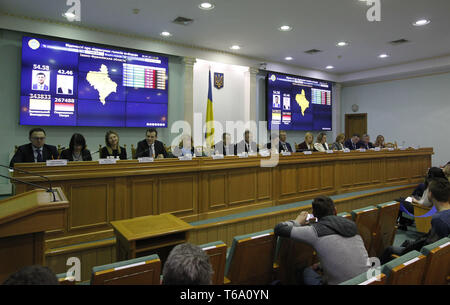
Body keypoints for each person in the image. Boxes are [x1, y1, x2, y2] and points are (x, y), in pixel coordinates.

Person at [274, 196, 370, 285]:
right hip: (370, 280)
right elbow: (346, 254)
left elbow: (279, 228)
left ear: (315, 216)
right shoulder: (352, 225)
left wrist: (298, 221)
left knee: (306, 272)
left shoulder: (314, 231)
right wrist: (320, 265)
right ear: (335, 211)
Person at [381, 178, 450, 264]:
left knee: (389, 249)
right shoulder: (443, 216)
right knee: (407, 243)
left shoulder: (439, 219)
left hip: (424, 260)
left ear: (430, 194)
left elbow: (427, 250)